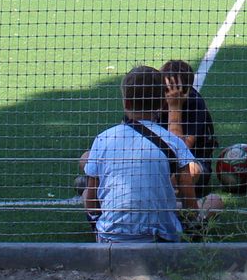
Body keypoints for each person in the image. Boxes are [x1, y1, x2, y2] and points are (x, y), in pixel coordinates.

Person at [79, 65, 204, 243]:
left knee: (84, 193)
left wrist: (98, 227)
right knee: (213, 201)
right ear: (162, 104)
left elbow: (91, 199)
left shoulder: (102, 139)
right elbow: (189, 200)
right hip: (162, 241)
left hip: (112, 240)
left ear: (126, 102)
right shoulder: (173, 141)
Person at [161, 59, 219, 192]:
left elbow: (180, 152)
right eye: (165, 89)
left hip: (193, 161)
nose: (168, 94)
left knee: (186, 173)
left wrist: (174, 106)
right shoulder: (153, 98)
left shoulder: (195, 104)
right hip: (159, 162)